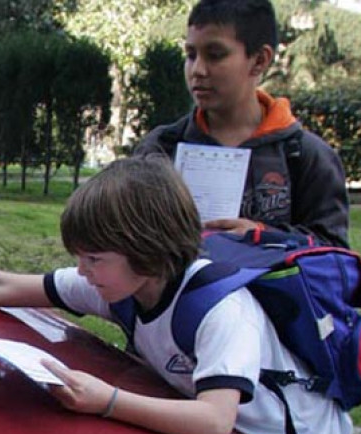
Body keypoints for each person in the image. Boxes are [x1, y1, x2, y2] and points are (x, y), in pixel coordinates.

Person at [0, 156, 352, 434]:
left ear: (147, 251)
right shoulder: (119, 287)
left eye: (93, 258)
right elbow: (1, 287)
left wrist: (106, 401)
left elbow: (214, 422)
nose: (83, 272)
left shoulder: (222, 311)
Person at [134, 0, 349, 248]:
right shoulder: (161, 147)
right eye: (191, 55)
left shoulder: (306, 156)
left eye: (215, 56)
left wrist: (261, 235)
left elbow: (334, 255)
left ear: (259, 60)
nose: (198, 70)